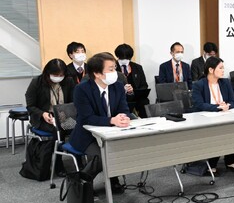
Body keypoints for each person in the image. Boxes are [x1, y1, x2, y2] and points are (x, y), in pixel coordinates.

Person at [68, 52, 131, 194]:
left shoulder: (118, 86)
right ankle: (81, 184)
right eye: (111, 69)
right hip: (87, 135)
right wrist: (111, 120)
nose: (115, 72)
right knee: (103, 154)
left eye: (115, 68)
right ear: (97, 73)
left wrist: (123, 117)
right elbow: (86, 118)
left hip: (112, 132)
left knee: (123, 149)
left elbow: (124, 109)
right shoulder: (82, 89)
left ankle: (113, 180)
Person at [191, 57, 234, 172]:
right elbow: (199, 105)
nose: (223, 70)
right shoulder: (199, 84)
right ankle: (212, 164)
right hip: (206, 118)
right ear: (211, 70)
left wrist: (227, 106)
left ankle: (230, 161)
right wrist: (217, 107)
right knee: (216, 134)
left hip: (225, 115)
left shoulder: (225, 82)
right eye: (220, 68)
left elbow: (233, 101)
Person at [25, 58, 75, 134]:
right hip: (43, 117)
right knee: (58, 129)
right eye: (55, 75)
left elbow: (73, 101)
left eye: (61, 75)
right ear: (48, 73)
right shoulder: (37, 82)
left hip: (63, 116)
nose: (58, 77)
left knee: (76, 127)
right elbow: (30, 106)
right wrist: (43, 114)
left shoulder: (68, 81)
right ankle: (57, 142)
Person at [114, 43, 149, 117]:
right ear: (117, 56)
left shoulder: (137, 67)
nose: (125, 60)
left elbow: (144, 85)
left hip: (136, 96)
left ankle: (145, 120)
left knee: (144, 101)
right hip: (120, 96)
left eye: (127, 58)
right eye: (122, 58)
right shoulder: (113, 68)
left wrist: (134, 92)